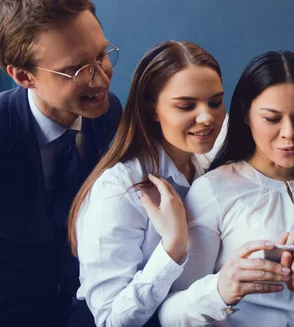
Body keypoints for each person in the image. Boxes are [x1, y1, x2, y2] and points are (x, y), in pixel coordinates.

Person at [158, 50, 294, 326]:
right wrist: (222, 290)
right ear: (246, 114)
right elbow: (169, 313)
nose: (290, 133)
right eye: (272, 119)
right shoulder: (213, 190)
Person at [67, 41, 227, 326]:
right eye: (187, 105)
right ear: (153, 109)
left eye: (215, 102)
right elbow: (111, 319)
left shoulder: (206, 170)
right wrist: (173, 248)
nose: (207, 117)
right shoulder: (118, 188)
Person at [0, 0, 122, 327]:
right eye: (75, 70)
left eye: (101, 56)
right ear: (24, 77)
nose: (100, 79)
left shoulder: (110, 112)